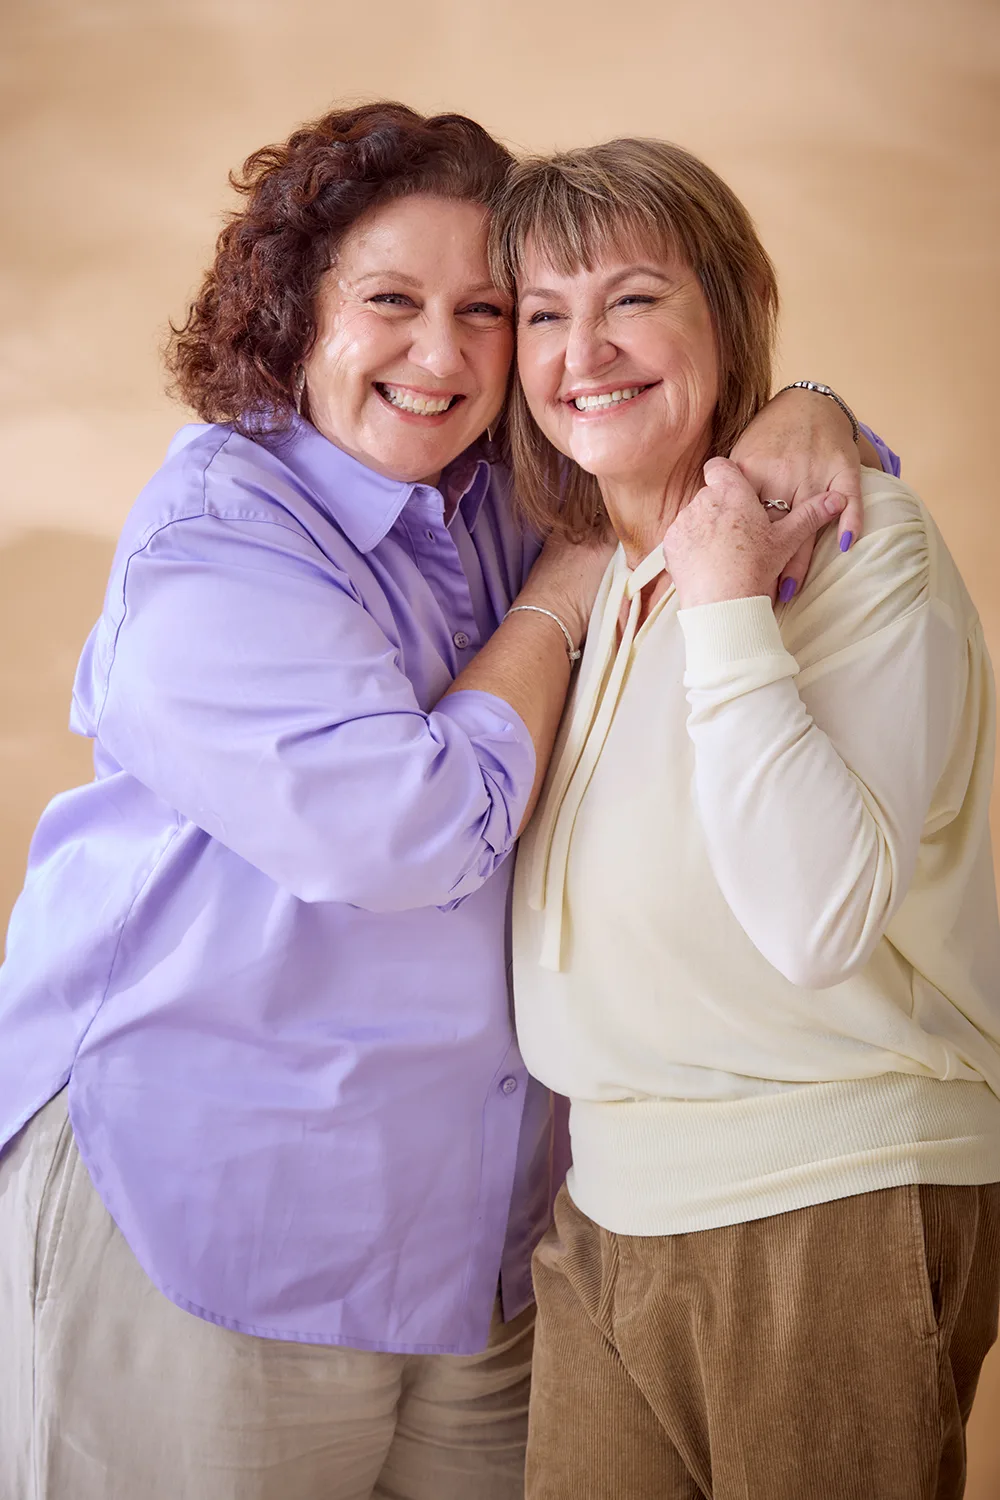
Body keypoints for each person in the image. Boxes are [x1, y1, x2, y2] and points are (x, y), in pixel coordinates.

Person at [0, 103, 893, 1500]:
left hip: (473, 1257)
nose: (443, 354)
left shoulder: (506, 492)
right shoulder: (217, 541)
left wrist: (810, 405)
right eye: (392, 301)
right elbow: (415, 832)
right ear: (295, 312)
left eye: (488, 309)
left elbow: (686, 441)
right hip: (206, 1215)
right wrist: (554, 599)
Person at [501, 137, 1000, 1500]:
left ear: (724, 311)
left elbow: (818, 918)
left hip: (825, 1191)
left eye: (632, 298)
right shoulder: (598, 580)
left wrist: (726, 598)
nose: (583, 349)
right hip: (609, 1206)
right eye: (545, 313)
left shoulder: (854, 538)